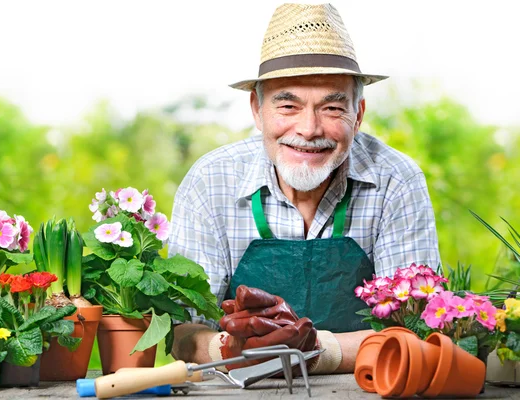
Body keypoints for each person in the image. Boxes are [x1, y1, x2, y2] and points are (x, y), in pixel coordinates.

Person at [168, 3, 440, 374]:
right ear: (257, 109)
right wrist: (232, 347)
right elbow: (182, 329)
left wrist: (314, 349)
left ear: (358, 114)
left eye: (331, 108)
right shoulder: (210, 182)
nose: (309, 129)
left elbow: (419, 328)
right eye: (288, 105)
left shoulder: (396, 180)